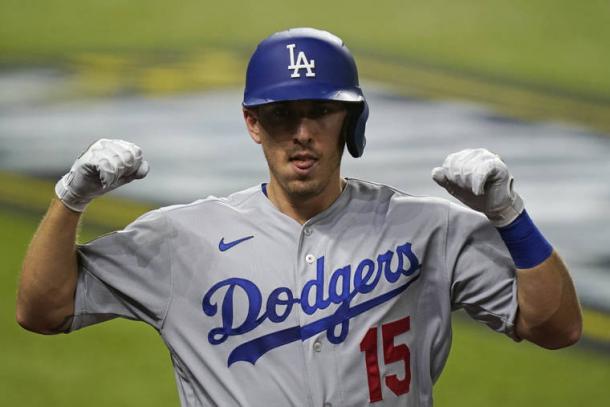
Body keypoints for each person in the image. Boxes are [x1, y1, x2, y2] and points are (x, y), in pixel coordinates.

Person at [17, 27, 581, 407]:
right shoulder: (181, 239)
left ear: (350, 121)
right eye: (282, 114)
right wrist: (70, 200)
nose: (302, 133)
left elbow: (557, 329)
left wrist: (510, 216)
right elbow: (41, 311)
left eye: (320, 112)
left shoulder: (430, 229)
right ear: (253, 124)